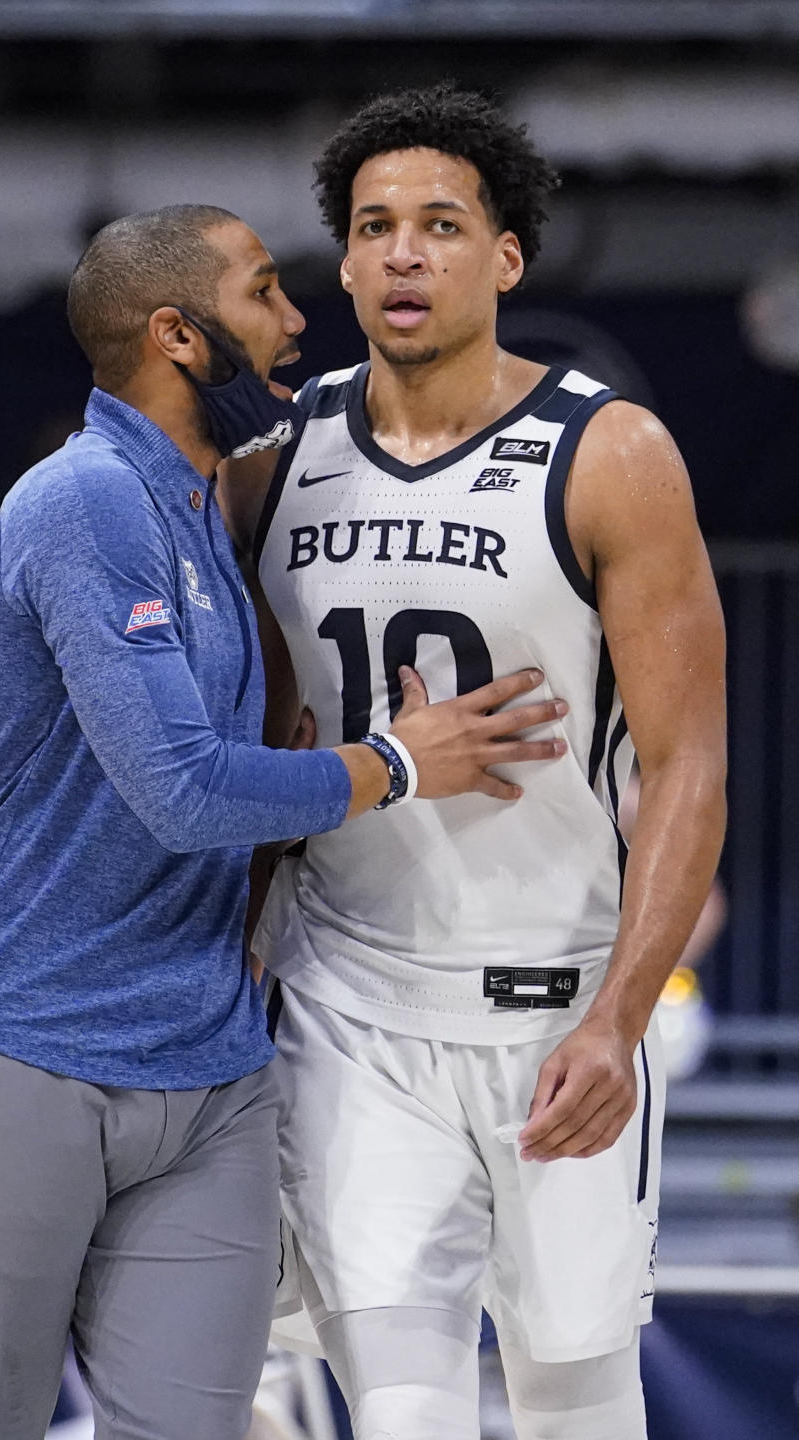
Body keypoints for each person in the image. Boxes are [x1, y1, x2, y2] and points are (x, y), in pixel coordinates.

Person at [0, 204, 568, 1440]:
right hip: (16, 1047)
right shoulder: (85, 501)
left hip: (206, 1071)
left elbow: (225, 786)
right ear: (179, 335)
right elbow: (184, 790)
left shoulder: (205, 508)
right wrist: (400, 762)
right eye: (265, 295)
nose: (300, 321)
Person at [222, 85, 727, 1440]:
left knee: (578, 1400)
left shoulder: (609, 454)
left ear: (504, 257)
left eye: (440, 225)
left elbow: (687, 765)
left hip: (560, 999)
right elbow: (248, 730)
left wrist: (621, 1015)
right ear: (342, 261)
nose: (403, 253)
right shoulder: (274, 457)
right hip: (352, 1000)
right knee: (401, 1412)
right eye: (375, 226)